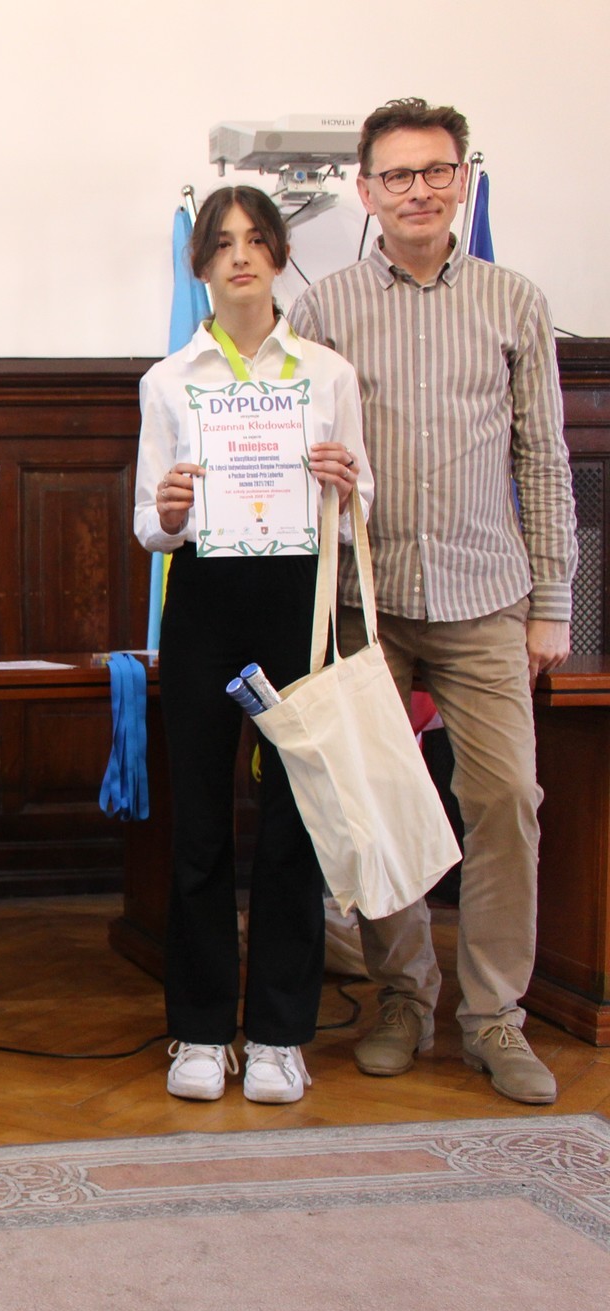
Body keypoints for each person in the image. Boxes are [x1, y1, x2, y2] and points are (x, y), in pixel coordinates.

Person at [290, 98, 578, 1104]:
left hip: (486, 596)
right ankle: (401, 997)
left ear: (464, 180)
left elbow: (544, 461)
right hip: (364, 600)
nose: (418, 191)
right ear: (366, 192)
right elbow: (288, 453)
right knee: (377, 808)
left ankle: (494, 1016)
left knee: (505, 802)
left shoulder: (515, 301)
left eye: (436, 171)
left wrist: (552, 603)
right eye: (398, 176)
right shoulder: (322, 309)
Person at [135, 186, 371, 1104]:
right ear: (199, 264)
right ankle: (199, 1030)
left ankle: (277, 1033)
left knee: (294, 821)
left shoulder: (328, 374)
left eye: (256, 240)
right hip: (204, 603)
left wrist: (346, 483)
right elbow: (148, 526)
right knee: (199, 822)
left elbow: (358, 503)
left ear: (278, 255)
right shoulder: (169, 380)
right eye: (222, 243)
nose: (239, 256)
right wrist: (168, 510)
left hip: (295, 603)